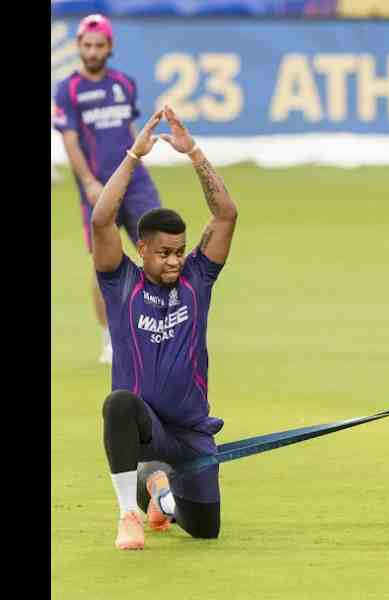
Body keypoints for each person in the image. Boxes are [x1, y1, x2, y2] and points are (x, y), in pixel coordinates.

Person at [93, 105, 238, 550]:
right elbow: (101, 220)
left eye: (179, 251)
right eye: (164, 253)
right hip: (146, 428)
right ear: (142, 249)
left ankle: (158, 487)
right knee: (119, 404)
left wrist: (192, 152)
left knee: (204, 530)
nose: (174, 261)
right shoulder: (122, 282)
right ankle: (128, 515)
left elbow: (226, 215)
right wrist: (133, 157)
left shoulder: (197, 278)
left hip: (192, 433)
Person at [53, 14, 163, 365]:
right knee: (105, 263)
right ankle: (110, 339)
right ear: (78, 46)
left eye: (99, 45)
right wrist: (88, 182)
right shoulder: (68, 90)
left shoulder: (124, 84)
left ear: (109, 46)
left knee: (159, 250)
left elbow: (127, 129)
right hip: (99, 185)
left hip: (136, 181)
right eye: (87, 45)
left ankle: (161, 329)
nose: (93, 51)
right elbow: (70, 140)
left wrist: (140, 160)